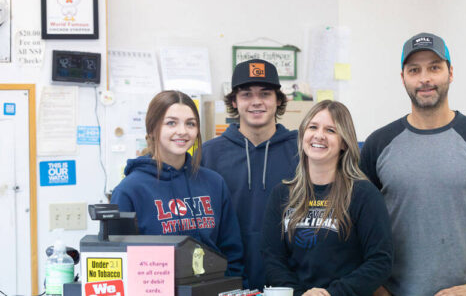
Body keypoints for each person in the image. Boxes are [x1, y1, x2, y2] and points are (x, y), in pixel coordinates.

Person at [359, 32, 466, 296]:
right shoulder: (378, 144)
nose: (425, 78)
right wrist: (376, 288)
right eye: (414, 70)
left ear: (450, 73)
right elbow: (355, 224)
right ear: (403, 78)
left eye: (434, 68)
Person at [261, 100, 393, 296]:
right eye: (313, 127)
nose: (319, 135)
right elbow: (273, 259)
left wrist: (332, 294)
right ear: (303, 135)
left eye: (331, 130)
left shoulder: (364, 194)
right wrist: (300, 294)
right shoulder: (282, 194)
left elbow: (380, 261)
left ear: (344, 142)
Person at [111, 90, 244, 278]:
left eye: (190, 124)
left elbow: (232, 252)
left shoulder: (214, 183)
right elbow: (118, 264)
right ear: (152, 129)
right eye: (171, 123)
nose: (182, 131)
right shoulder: (129, 190)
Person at [201, 59, 298, 289]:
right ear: (234, 101)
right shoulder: (209, 154)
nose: (256, 102)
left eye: (265, 94)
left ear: (278, 100)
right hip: (227, 280)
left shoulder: (301, 151)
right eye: (246, 94)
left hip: (290, 280)